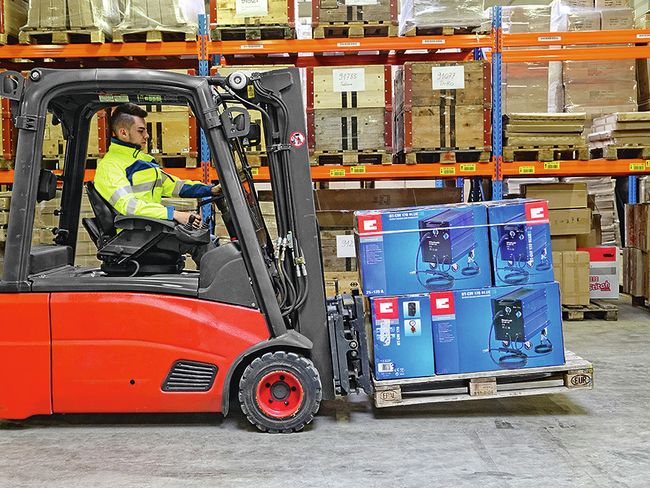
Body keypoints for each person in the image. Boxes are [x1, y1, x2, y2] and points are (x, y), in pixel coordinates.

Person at [94, 103, 218, 266]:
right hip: (135, 236)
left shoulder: (142, 162)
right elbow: (129, 206)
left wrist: (211, 189)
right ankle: (221, 290)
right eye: (141, 131)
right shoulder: (111, 166)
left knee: (209, 238)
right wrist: (174, 214)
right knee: (204, 243)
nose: (147, 136)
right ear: (123, 132)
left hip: (152, 228)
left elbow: (175, 186)